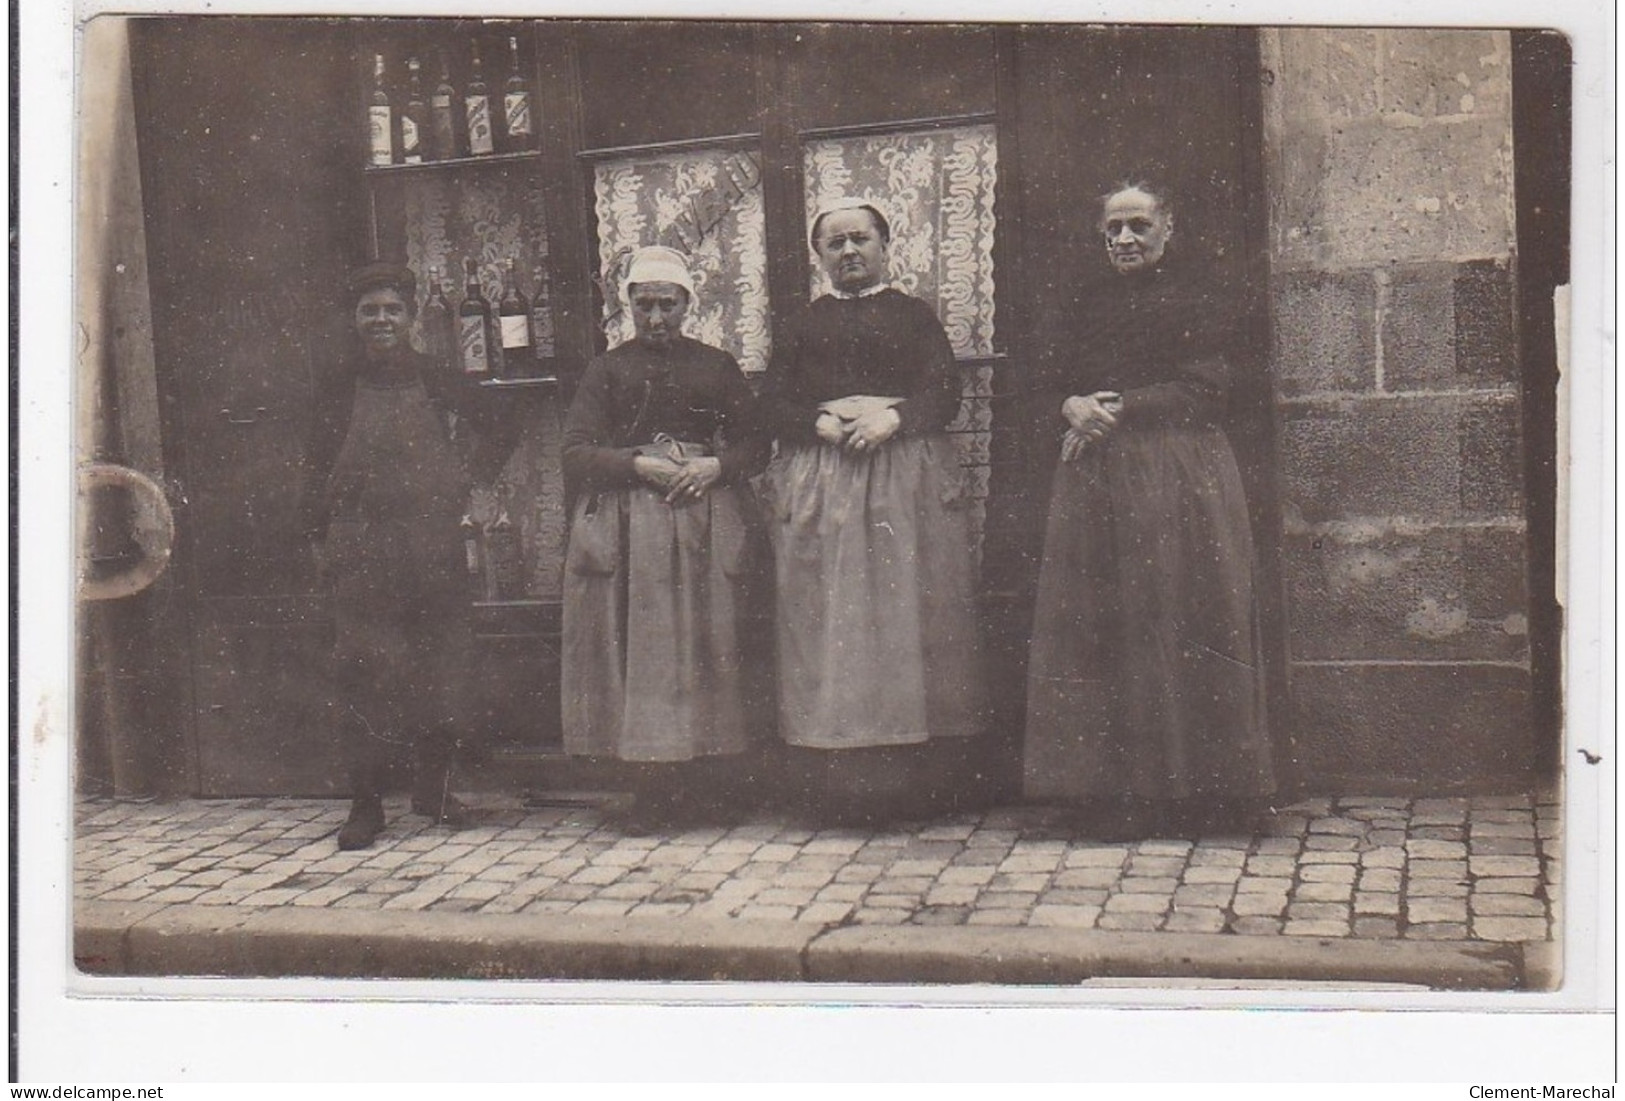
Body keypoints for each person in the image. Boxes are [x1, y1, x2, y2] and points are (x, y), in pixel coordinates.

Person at [1023, 182, 1275, 835]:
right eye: (1113, 229)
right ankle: (1113, 795)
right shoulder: (1085, 303)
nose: (1125, 240)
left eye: (1138, 225)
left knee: (1177, 613)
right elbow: (1049, 375)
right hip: (1096, 477)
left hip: (1176, 473)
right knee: (1101, 622)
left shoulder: (1199, 297)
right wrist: (1069, 404)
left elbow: (1211, 386)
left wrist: (1123, 406)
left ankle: (1197, 794)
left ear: (1168, 227)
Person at [760, 199, 984, 822]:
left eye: (861, 239)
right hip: (826, 480)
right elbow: (772, 402)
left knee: (909, 613)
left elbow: (945, 393)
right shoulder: (803, 324)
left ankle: (920, 782)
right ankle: (840, 782)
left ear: (886, 247)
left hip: (902, 475)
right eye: (835, 244)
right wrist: (819, 422)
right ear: (820, 257)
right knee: (834, 621)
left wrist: (894, 417)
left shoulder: (914, 316)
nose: (849, 252)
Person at [300, 262, 513, 851]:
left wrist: (464, 479)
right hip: (360, 545)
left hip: (430, 543)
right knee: (364, 675)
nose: (382, 320)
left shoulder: (438, 376)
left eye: (392, 309)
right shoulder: (337, 385)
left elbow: (500, 423)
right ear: (355, 319)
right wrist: (321, 540)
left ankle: (434, 790)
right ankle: (366, 805)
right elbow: (313, 466)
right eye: (370, 310)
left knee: (440, 669)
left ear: (411, 316)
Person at [560, 246, 771, 822]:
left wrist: (716, 467)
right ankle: (652, 790)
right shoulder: (606, 370)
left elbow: (758, 444)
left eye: (668, 306)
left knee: (710, 645)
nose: (656, 319)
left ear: (687, 305)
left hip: (705, 517)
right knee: (644, 653)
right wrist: (634, 464)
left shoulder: (715, 365)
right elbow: (576, 451)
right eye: (644, 305)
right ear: (627, 304)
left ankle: (711, 783)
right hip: (633, 527)